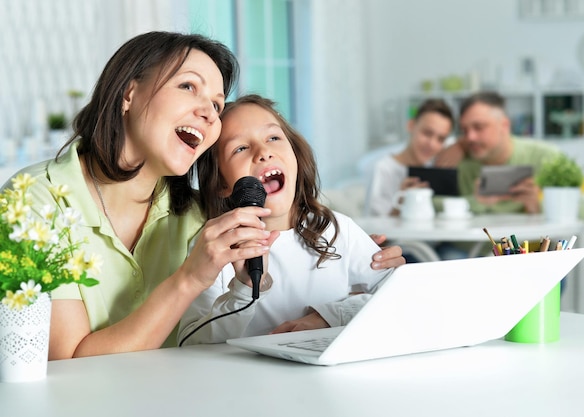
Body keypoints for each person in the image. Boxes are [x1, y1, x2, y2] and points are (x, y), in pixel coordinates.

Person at [1, 32, 404, 360]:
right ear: (128, 94)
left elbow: (282, 300)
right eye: (188, 86)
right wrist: (190, 277)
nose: (210, 112)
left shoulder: (203, 216)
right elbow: (67, 364)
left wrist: (366, 268)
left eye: (215, 102)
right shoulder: (31, 201)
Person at [178, 94, 396, 344]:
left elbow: (400, 296)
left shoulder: (338, 230)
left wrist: (327, 317)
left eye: (273, 138)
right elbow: (192, 342)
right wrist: (243, 289)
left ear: (294, 154)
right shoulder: (213, 247)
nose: (263, 152)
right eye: (240, 148)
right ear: (221, 184)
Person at [441, 91, 564, 214]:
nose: (469, 138)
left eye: (479, 127)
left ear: (504, 125)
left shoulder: (546, 157)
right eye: (464, 130)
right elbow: (433, 203)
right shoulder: (463, 164)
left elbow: (577, 214)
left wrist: (538, 206)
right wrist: (474, 202)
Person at [366, 98, 454, 217]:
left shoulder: (433, 169)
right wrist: (402, 201)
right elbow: (373, 227)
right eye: (427, 133)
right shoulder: (384, 169)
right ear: (411, 125)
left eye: (440, 139)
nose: (432, 144)